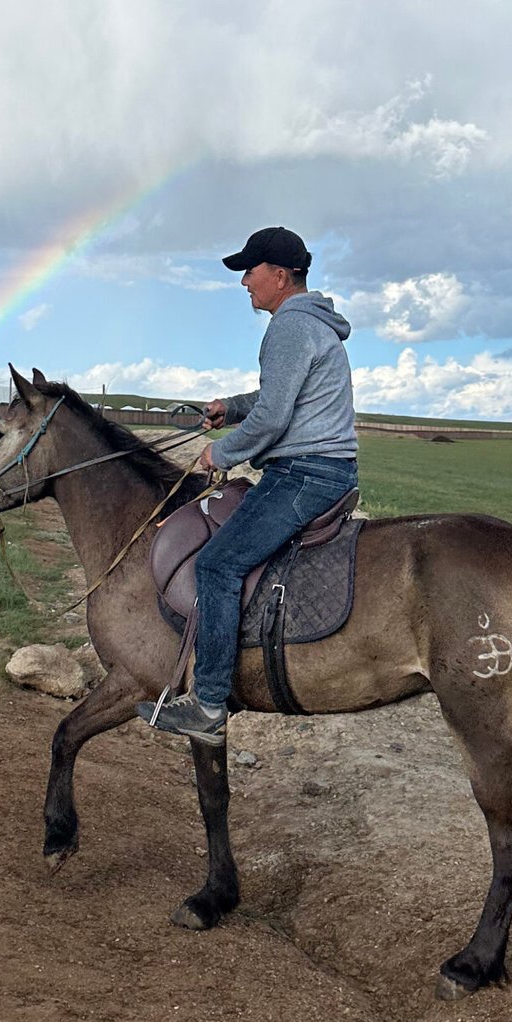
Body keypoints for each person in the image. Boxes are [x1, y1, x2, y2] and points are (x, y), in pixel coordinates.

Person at [143, 226, 358, 743]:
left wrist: (222, 452)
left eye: (250, 270)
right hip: (324, 466)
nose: (244, 282)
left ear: (279, 276)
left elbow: (275, 417)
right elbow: (276, 395)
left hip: (306, 472)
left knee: (217, 565)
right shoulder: (311, 323)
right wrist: (230, 408)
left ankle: (209, 705)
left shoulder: (289, 326)